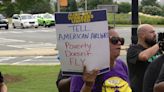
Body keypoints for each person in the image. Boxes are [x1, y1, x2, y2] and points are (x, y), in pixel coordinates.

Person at [70, 27, 132, 92]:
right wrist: (88, 85)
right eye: (114, 40)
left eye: (121, 40)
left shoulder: (121, 65)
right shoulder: (85, 70)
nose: (119, 43)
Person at [127, 24, 163, 92]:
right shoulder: (133, 49)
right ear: (142, 35)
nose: (155, 35)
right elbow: (144, 57)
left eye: (155, 32)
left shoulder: (157, 49)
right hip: (140, 89)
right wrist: (160, 44)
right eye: (152, 32)